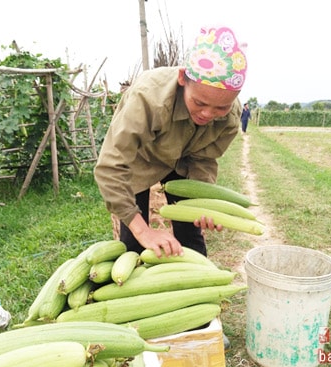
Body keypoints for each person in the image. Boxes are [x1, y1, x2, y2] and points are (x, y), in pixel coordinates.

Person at [94, 26, 248, 258]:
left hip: (184, 158)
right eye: (199, 102)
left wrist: (203, 203)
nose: (208, 114)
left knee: (191, 236)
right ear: (182, 78)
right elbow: (110, 167)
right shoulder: (147, 99)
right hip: (141, 156)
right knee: (134, 244)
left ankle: (197, 284)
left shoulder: (230, 118)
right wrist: (143, 231)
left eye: (221, 107)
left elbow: (204, 160)